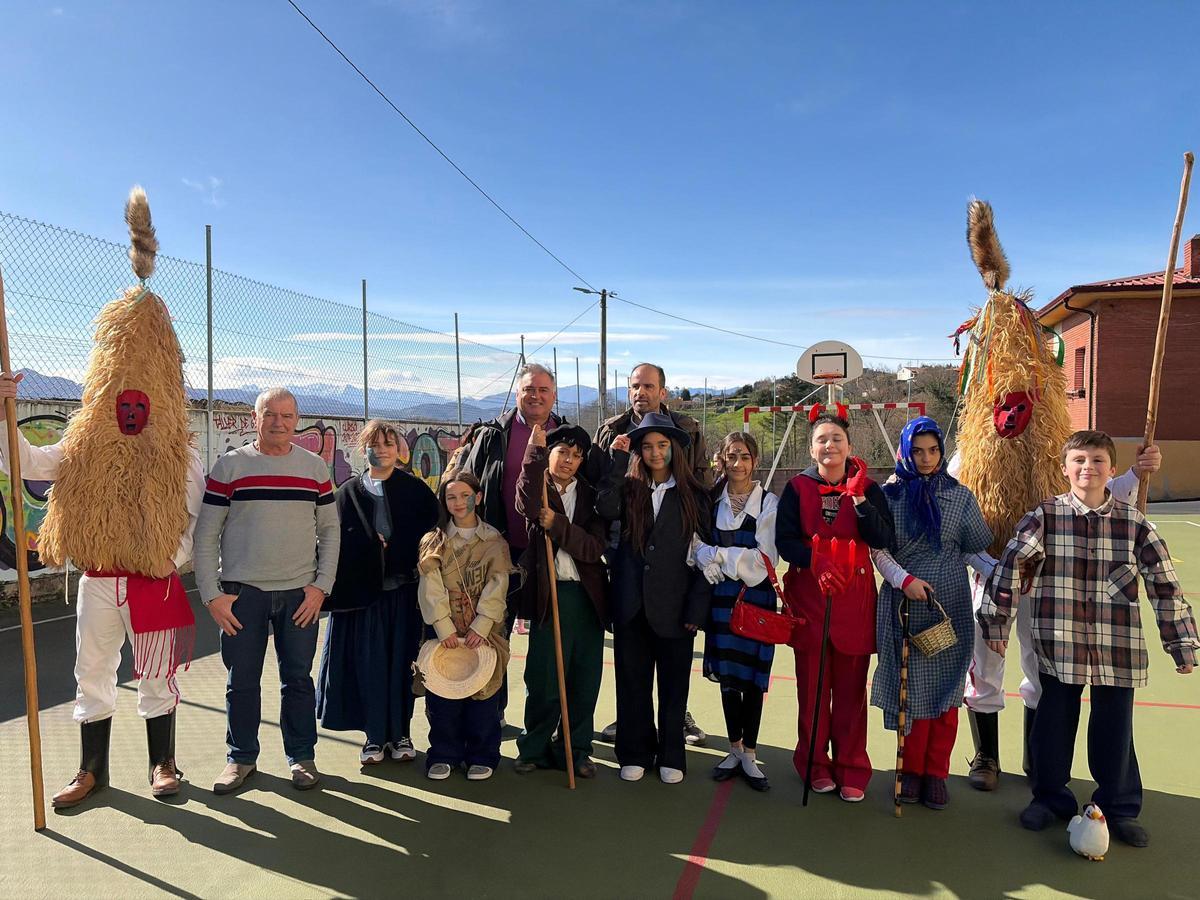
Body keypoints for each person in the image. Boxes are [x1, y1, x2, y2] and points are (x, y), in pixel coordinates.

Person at [0, 189, 203, 809]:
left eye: (140, 401)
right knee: (92, 674)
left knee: (157, 676)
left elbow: (192, 509)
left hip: (154, 578)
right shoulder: (82, 443)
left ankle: (162, 764)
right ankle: (92, 770)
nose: (131, 409)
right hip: (97, 579)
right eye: (123, 400)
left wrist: (170, 557)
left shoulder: (179, 453)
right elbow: (28, 465)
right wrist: (5, 410)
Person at [979, 430, 1197, 847]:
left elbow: (1164, 585)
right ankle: (1049, 798)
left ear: (1111, 470)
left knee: (1114, 731)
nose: (1087, 468)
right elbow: (1009, 567)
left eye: (1097, 461)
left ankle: (1118, 806)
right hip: (1060, 643)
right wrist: (996, 623)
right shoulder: (1044, 516)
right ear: (1065, 469)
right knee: (1053, 724)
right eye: (1078, 460)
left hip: (1117, 646)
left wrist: (1180, 642)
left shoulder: (1134, 524)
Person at [958, 445, 1164, 791]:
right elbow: (957, 519)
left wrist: (1137, 472)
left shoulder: (1055, 442)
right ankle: (986, 756)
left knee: (1041, 664)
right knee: (985, 662)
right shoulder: (969, 452)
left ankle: (1037, 757)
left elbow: (1095, 490)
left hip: (1043, 579)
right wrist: (989, 566)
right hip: (989, 575)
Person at [194, 387, 340, 794]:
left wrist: (320, 588)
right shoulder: (229, 468)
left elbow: (330, 533)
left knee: (297, 679)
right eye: (270, 414)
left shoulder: (314, 469)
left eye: (287, 415)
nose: (278, 422)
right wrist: (212, 594)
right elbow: (206, 535)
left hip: (300, 596)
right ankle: (240, 759)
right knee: (242, 680)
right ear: (254, 419)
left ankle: (302, 757)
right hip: (243, 596)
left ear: (297, 420)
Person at [868, 417, 991, 810]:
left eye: (933, 450)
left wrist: (1000, 572)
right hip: (904, 606)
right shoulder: (888, 496)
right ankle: (911, 773)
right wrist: (904, 581)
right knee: (912, 697)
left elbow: (971, 550)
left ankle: (936, 774)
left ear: (941, 451)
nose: (926, 458)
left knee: (947, 695)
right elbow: (878, 550)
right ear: (905, 450)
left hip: (949, 605)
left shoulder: (960, 496)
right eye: (917, 451)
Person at [776, 408, 894, 803]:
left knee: (850, 693)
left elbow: (882, 537)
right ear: (812, 449)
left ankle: (852, 767)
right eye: (822, 440)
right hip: (810, 599)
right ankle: (813, 764)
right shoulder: (796, 489)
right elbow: (785, 541)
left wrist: (859, 499)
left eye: (836, 439)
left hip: (854, 602)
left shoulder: (869, 488)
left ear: (850, 446)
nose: (829, 445)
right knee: (811, 690)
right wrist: (815, 557)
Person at [592, 362, 710, 746]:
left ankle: (677, 719)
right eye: (634, 387)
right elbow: (600, 489)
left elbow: (699, 480)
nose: (641, 392)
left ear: (663, 391)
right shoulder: (611, 430)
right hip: (622, 546)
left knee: (671, 645)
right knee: (632, 653)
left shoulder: (687, 429)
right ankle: (632, 724)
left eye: (648, 386)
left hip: (672, 549)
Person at [316, 420, 439, 766]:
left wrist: (398, 553)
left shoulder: (415, 490)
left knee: (403, 665)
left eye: (389, 443)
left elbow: (432, 536)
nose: (382, 449)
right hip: (363, 598)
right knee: (369, 666)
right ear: (364, 448)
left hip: (403, 596)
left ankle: (401, 734)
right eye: (375, 443)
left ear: (398, 449)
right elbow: (333, 542)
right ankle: (373, 737)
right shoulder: (347, 493)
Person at [459, 362, 563, 721]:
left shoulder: (566, 436)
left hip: (546, 551)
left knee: (546, 639)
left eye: (543, 390)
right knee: (492, 631)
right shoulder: (492, 435)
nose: (535, 396)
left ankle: (544, 719)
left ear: (554, 395)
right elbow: (467, 486)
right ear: (518, 393)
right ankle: (492, 709)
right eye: (529, 389)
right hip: (498, 551)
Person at [513, 423, 608, 778]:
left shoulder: (591, 496)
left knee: (584, 678)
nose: (569, 460)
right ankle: (533, 747)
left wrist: (558, 525)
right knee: (544, 678)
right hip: (547, 595)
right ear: (549, 455)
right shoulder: (537, 488)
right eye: (562, 452)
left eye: (577, 455)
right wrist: (533, 454)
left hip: (586, 597)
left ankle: (576, 749)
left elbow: (593, 547)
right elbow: (524, 502)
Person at [697, 432, 779, 791]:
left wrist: (717, 555)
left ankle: (750, 751)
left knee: (752, 681)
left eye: (744, 457)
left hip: (756, 600)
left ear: (755, 461)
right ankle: (733, 747)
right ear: (721, 460)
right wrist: (701, 556)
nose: (737, 464)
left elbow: (764, 561)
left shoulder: (768, 503)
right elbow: (695, 539)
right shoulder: (710, 500)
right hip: (721, 600)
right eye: (730, 457)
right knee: (729, 677)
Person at [416, 472, 512, 781]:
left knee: (484, 693)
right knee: (444, 695)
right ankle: (444, 753)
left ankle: (482, 754)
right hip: (446, 631)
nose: (458, 502)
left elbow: (498, 583)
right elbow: (429, 585)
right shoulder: (434, 541)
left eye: (464, 495)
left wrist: (481, 625)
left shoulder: (495, 540)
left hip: (484, 633)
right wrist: (444, 628)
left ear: (478, 497)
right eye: (451, 497)